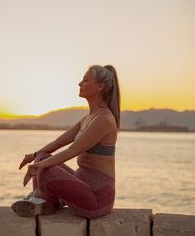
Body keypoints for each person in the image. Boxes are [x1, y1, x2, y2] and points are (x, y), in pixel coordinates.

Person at [11, 64, 121, 218]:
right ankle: (47, 200)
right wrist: (34, 156)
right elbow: (58, 143)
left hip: (97, 199)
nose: (80, 83)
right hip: (83, 185)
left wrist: (40, 166)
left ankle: (42, 200)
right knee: (43, 156)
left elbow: (72, 150)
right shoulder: (88, 118)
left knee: (46, 169)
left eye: (85, 80)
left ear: (100, 86)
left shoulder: (104, 119)